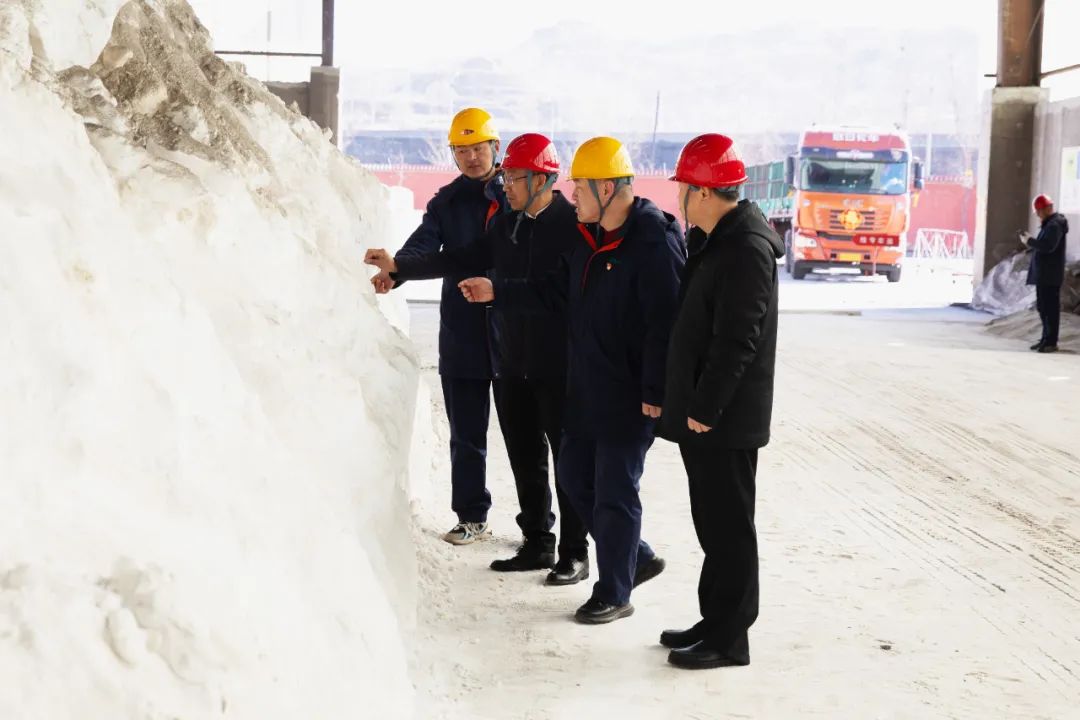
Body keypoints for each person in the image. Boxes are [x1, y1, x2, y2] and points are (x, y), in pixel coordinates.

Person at [459, 136, 684, 624]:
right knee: (575, 479)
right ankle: (637, 557)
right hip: (584, 389)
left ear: (607, 187)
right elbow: (552, 292)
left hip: (628, 396)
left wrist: (655, 391)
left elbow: (666, 325)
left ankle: (614, 590)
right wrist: (498, 290)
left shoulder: (651, 241)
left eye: (580, 187)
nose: (573, 194)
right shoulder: (590, 237)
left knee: (614, 491)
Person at [365, 134, 590, 584]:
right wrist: (400, 267)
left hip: (558, 366)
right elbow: (460, 257)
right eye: (505, 176)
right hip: (514, 363)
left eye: (513, 177)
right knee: (526, 457)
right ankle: (538, 542)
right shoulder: (508, 224)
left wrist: (498, 292)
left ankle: (574, 552)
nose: (504, 184)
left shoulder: (571, 225)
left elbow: (564, 296)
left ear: (542, 179)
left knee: (568, 462)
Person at [656, 133, 784, 669]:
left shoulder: (746, 250)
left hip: (724, 420)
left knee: (730, 528)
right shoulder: (715, 241)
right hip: (706, 416)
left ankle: (731, 639)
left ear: (705, 191)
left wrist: (706, 408)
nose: (679, 195)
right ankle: (716, 620)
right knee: (712, 522)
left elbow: (738, 340)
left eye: (684, 186)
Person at [371, 107, 507, 545]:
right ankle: (472, 515)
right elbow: (426, 243)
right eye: (461, 150)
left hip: (518, 329)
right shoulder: (448, 202)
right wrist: (395, 271)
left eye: (478, 148)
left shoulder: (521, 193)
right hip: (465, 329)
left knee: (529, 439)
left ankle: (540, 529)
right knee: (466, 433)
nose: (471, 158)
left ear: (495, 147)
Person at [1020, 194, 1069, 354]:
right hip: (1045, 274)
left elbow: (1048, 247)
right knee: (1043, 307)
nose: (1038, 215)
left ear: (1047, 209)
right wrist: (1031, 242)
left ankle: (1051, 341)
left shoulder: (1054, 225)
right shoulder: (1049, 224)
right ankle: (1045, 338)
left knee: (1050, 309)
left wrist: (1030, 242)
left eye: (1039, 211)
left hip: (1050, 275)